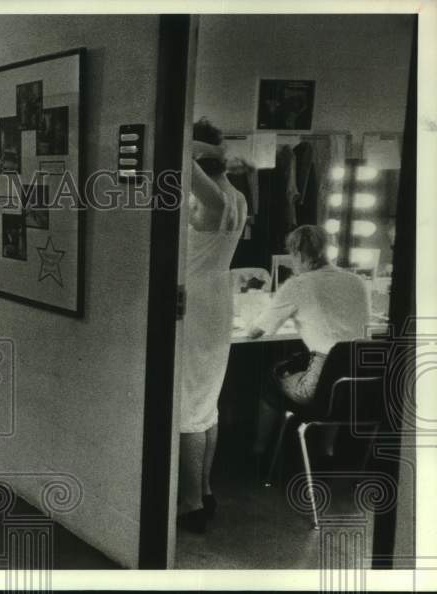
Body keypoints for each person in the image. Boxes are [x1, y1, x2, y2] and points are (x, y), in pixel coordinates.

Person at [179, 118, 248, 534]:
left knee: (189, 406)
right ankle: (204, 489)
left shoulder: (215, 201)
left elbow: (180, 157)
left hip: (197, 302)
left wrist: (188, 143)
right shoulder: (239, 196)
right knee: (207, 404)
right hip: (217, 298)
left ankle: (190, 503)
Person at [249, 225, 371, 453]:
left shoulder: (298, 284)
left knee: (269, 380)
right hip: (363, 388)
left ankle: (259, 454)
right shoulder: (357, 281)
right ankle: (327, 450)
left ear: (297, 253)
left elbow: (256, 331)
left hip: (319, 389)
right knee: (335, 369)